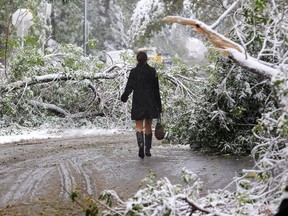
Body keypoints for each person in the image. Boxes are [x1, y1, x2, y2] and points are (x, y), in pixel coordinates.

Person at [121, 51, 162, 159]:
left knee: (139, 125)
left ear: (137, 59)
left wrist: (124, 97)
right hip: (151, 101)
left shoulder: (134, 72)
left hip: (138, 101)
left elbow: (129, 86)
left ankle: (141, 144)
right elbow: (156, 90)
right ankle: (147, 149)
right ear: (147, 59)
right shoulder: (152, 71)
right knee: (148, 125)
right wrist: (159, 105)